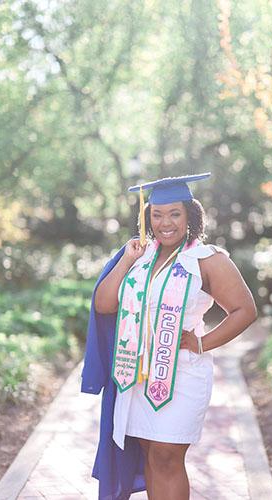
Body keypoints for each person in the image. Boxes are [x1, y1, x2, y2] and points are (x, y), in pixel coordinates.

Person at [81, 173, 257, 500]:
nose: (166, 223)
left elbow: (245, 310)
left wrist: (202, 342)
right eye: (157, 215)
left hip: (182, 374)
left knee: (167, 455)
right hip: (135, 376)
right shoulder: (139, 256)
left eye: (175, 213)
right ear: (147, 219)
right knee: (149, 453)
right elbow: (104, 305)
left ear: (190, 215)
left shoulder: (207, 259)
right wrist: (127, 261)